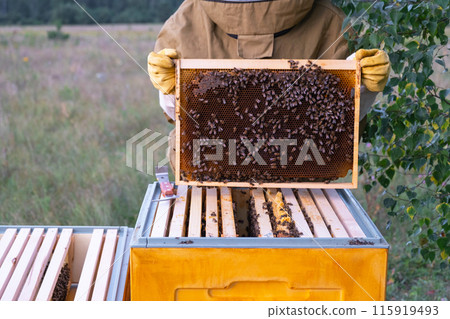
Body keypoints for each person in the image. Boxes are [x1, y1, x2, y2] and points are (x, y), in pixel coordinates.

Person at [147, 0, 390, 169]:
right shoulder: (332, 19)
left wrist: (170, 93)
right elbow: (344, 118)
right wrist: (362, 88)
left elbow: (178, 114)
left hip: (209, 165)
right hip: (305, 167)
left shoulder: (184, 20)